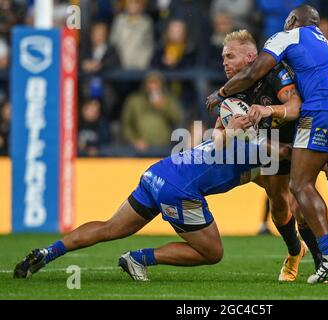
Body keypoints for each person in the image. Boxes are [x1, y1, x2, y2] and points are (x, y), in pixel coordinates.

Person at [206, 5, 328, 284]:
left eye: (229, 55)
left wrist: (221, 93)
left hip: (320, 112)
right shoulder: (325, 44)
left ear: (291, 21)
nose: (225, 62)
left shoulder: (286, 37)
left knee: (299, 186)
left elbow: (260, 75)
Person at [13, 115, 291, 281]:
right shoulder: (256, 148)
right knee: (212, 252)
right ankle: (138, 259)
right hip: (179, 191)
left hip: (157, 173)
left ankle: (48, 252)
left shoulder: (235, 143)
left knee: (111, 227)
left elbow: (272, 187)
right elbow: (281, 156)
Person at [218, 30, 321, 281]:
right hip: (272, 150)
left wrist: (267, 110)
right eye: (223, 58)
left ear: (251, 57)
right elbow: (220, 133)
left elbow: (295, 107)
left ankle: (323, 264)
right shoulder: (232, 92)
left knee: (300, 202)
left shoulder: (276, 73)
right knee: (278, 207)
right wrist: (223, 134)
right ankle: (295, 251)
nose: (225, 62)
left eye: (230, 56)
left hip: (300, 137)